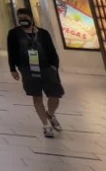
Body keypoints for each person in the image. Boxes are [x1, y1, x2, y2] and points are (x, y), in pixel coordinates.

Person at [8, 7, 64, 138]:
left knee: (55, 95)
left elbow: (52, 51)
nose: (23, 21)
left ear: (31, 18)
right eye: (20, 19)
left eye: (25, 18)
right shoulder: (14, 33)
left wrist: (54, 67)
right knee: (37, 96)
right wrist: (12, 69)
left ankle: (50, 114)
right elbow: (11, 52)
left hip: (46, 68)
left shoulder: (43, 33)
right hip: (27, 69)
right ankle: (46, 126)